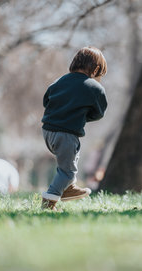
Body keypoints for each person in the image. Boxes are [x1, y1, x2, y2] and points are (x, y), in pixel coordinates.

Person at [41, 46, 108, 210]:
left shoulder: (59, 81)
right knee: (67, 171)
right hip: (66, 134)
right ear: (96, 69)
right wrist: (82, 115)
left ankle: (69, 188)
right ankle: (49, 201)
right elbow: (100, 112)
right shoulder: (93, 87)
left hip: (48, 131)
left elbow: (46, 101)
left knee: (72, 158)